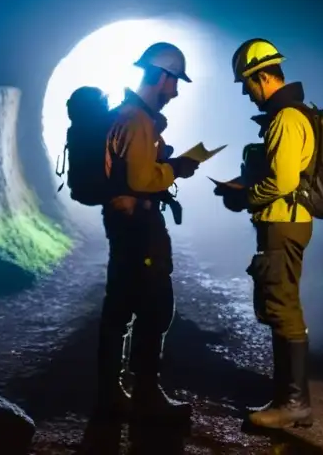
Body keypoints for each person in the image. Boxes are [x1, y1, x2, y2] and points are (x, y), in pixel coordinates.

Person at [95, 41, 200, 422]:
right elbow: (141, 177)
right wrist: (177, 168)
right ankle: (145, 392)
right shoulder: (138, 121)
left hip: (123, 222)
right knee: (154, 305)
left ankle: (111, 391)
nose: (175, 92)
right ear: (161, 76)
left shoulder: (126, 115)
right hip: (139, 223)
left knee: (121, 304)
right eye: (175, 82)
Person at [215, 38, 316, 429]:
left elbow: (285, 180)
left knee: (283, 305)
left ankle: (293, 404)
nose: (246, 92)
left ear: (262, 78)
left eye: (246, 84)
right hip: (286, 220)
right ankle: (288, 399)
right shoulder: (293, 114)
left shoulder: (286, 119)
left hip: (282, 221)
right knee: (279, 304)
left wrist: (247, 197)